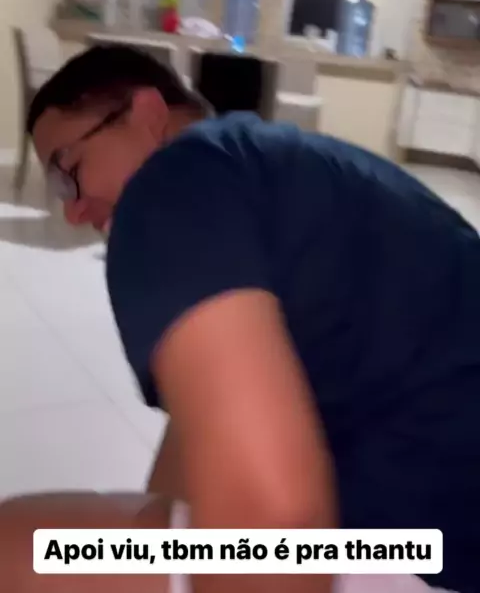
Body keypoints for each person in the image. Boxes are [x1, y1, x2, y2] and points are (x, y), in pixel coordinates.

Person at [10, 43, 480, 593]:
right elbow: (193, 446)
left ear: (147, 113)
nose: (72, 210)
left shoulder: (169, 186)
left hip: (432, 549)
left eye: (68, 173)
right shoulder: (288, 167)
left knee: (20, 551)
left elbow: (274, 528)